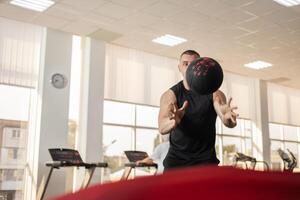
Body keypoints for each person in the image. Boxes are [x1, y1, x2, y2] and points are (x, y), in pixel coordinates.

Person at [159, 50, 238, 171]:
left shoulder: (214, 93)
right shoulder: (170, 95)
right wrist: (173, 122)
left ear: (201, 67)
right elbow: (162, 127)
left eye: (193, 64)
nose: (189, 68)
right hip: (177, 163)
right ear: (179, 67)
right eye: (185, 64)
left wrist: (227, 118)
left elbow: (225, 117)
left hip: (205, 163)